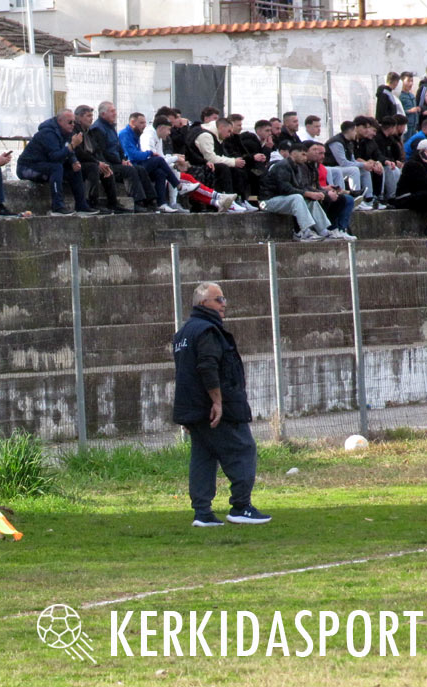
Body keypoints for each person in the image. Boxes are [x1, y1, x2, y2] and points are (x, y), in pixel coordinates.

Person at [173, 282, 271, 528]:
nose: (224, 304)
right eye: (218, 300)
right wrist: (217, 402)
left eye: (224, 299)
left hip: (194, 408)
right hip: (216, 408)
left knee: (204, 456)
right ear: (203, 303)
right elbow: (207, 367)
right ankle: (241, 506)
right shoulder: (208, 331)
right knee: (243, 449)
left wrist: (189, 413)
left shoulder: (183, 333)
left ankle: (202, 513)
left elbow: (184, 373)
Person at [16, 110, 99, 216]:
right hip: (28, 167)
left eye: (74, 122)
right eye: (70, 122)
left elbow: (68, 150)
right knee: (56, 167)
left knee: (75, 169)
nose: (73, 125)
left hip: (46, 165)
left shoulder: (67, 132)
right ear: (60, 121)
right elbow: (55, 156)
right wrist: (73, 145)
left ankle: (81, 205)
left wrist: (74, 161)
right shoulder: (48, 133)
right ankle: (57, 207)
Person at [90, 101, 158, 213]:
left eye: (115, 111)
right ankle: (137, 202)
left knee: (140, 169)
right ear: (103, 114)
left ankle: (151, 201)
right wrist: (118, 161)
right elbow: (102, 151)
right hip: (108, 164)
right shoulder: (98, 129)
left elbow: (118, 147)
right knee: (129, 171)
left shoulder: (110, 127)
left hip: (117, 161)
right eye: (112, 111)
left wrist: (124, 159)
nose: (115, 113)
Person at [259, 142, 333, 242]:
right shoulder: (283, 165)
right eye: (303, 154)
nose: (305, 158)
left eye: (306, 155)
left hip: (282, 199)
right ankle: (305, 232)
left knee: (310, 200)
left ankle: (323, 231)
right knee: (297, 197)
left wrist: (315, 194)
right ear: (293, 153)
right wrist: (309, 193)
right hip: (267, 201)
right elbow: (285, 189)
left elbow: (300, 187)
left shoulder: (297, 166)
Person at [119, 112, 188, 213]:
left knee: (160, 172)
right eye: (141, 123)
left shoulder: (137, 134)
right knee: (159, 160)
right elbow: (133, 155)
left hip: (138, 165)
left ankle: (161, 204)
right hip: (132, 166)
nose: (144, 125)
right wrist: (150, 153)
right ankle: (179, 186)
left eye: (145, 122)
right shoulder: (125, 134)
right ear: (133, 123)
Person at [185, 116, 255, 210]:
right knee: (224, 168)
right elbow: (211, 158)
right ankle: (229, 201)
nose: (229, 135)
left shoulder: (214, 135)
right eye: (229, 131)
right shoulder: (205, 135)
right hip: (197, 165)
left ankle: (239, 200)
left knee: (237, 170)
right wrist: (233, 161)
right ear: (221, 127)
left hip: (204, 163)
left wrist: (234, 162)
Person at [73, 104, 133, 214]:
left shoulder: (89, 131)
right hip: (78, 163)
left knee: (106, 168)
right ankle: (92, 202)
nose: (91, 119)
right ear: (79, 118)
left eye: (92, 116)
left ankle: (113, 203)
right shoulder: (75, 131)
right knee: (93, 168)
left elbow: (97, 150)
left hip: (90, 160)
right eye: (88, 116)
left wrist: (102, 162)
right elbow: (79, 153)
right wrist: (97, 163)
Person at [390, 139, 427, 236]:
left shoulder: (425, 164)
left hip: (416, 195)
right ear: (422, 152)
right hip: (405, 198)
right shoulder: (412, 164)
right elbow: (425, 187)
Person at [304, 141, 357, 241]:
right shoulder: (303, 166)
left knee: (345, 199)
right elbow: (305, 186)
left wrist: (328, 189)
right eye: (315, 150)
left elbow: (317, 185)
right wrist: (325, 191)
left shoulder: (315, 166)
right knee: (334, 199)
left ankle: (340, 229)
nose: (319, 154)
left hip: (318, 192)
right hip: (309, 195)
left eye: (321, 152)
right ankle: (331, 228)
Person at [400, 71, 421, 137]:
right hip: (406, 126)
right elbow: (399, 111)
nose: (411, 83)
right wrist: (410, 111)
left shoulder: (412, 95)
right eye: (408, 81)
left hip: (414, 126)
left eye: (412, 81)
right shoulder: (400, 96)